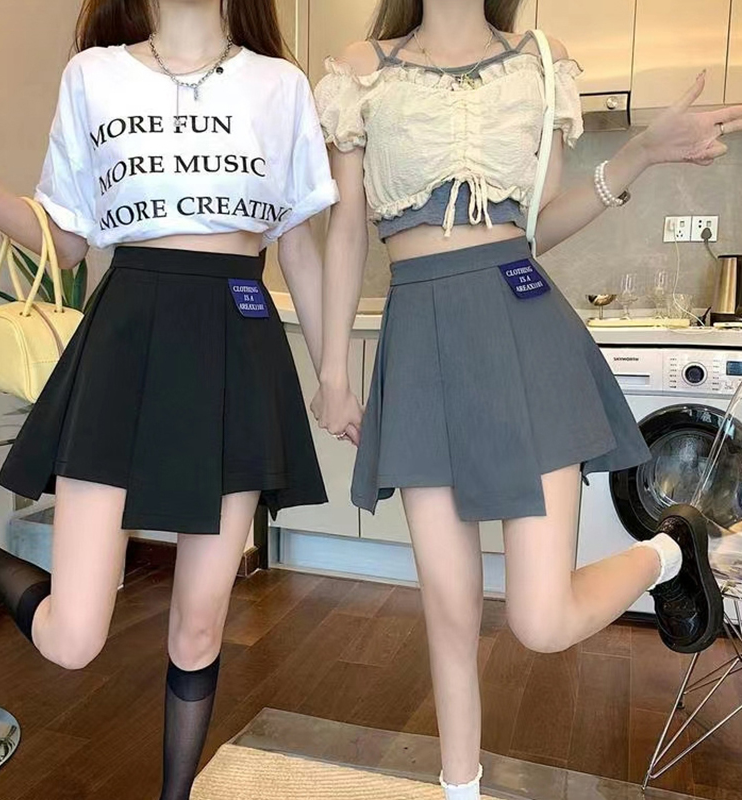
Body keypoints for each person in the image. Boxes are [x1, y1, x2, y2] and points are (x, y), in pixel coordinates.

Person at [311, 1, 742, 797]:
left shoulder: (540, 61)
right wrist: (332, 369)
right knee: (447, 607)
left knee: (541, 622)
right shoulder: (360, 71)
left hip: (524, 329)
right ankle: (460, 788)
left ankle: (670, 551)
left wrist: (642, 153)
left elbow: (540, 225)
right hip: (423, 339)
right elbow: (345, 229)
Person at [0, 1, 338, 797]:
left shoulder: (280, 85)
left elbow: (298, 242)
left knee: (199, 625)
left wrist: (335, 373)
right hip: (127, 342)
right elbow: (63, 240)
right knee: (73, 639)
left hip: (236, 340)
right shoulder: (94, 76)